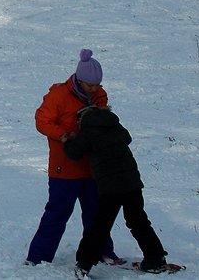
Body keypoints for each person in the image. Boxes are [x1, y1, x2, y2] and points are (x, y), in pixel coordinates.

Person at [26, 49, 121, 267]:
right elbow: (42, 121)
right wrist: (63, 135)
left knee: (97, 214)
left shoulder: (99, 96)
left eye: (97, 84)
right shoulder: (58, 96)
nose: (95, 88)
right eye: (90, 85)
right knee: (57, 213)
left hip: (92, 168)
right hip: (65, 168)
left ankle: (103, 252)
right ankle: (38, 257)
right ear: (79, 79)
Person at [65, 105, 170, 277]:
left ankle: (84, 264)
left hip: (110, 186)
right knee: (138, 221)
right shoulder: (114, 125)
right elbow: (127, 138)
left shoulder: (88, 131)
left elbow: (74, 153)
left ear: (81, 120)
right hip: (132, 182)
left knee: (100, 225)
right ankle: (155, 258)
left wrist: (68, 141)